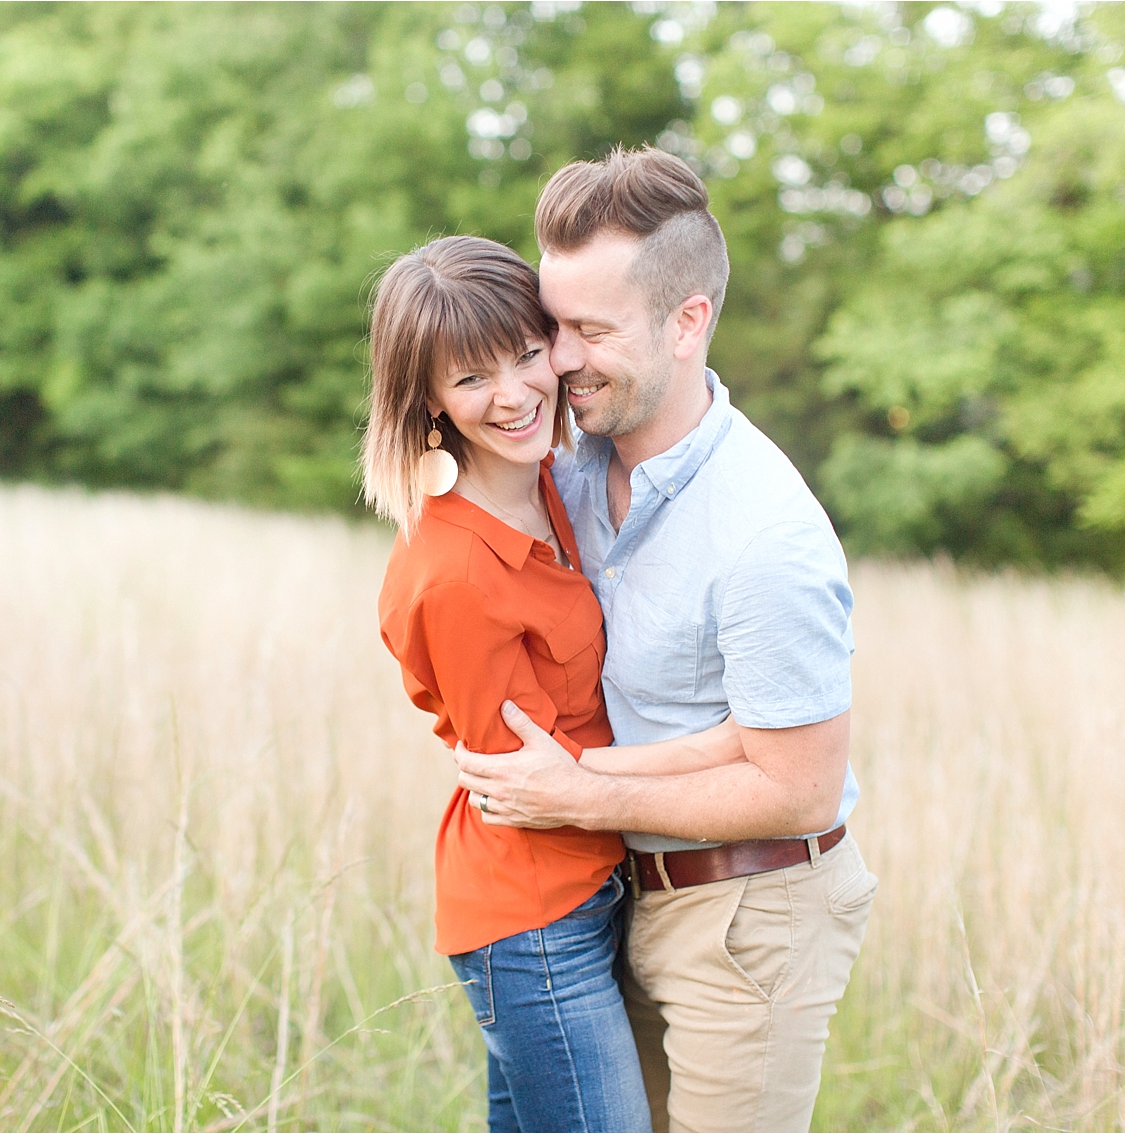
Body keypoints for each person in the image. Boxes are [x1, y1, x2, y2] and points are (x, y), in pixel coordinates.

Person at [452, 148, 878, 1134]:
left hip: (751, 910)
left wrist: (582, 789)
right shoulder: (559, 464)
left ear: (687, 323)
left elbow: (800, 783)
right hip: (612, 898)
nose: (556, 360)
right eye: (549, 326)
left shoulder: (764, 533)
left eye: (590, 331)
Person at [361, 234, 744, 1134]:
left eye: (526, 354)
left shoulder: (561, 489)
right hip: (532, 924)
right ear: (426, 401)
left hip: (593, 890)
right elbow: (529, 782)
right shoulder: (452, 568)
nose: (513, 393)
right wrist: (737, 748)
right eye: (469, 379)